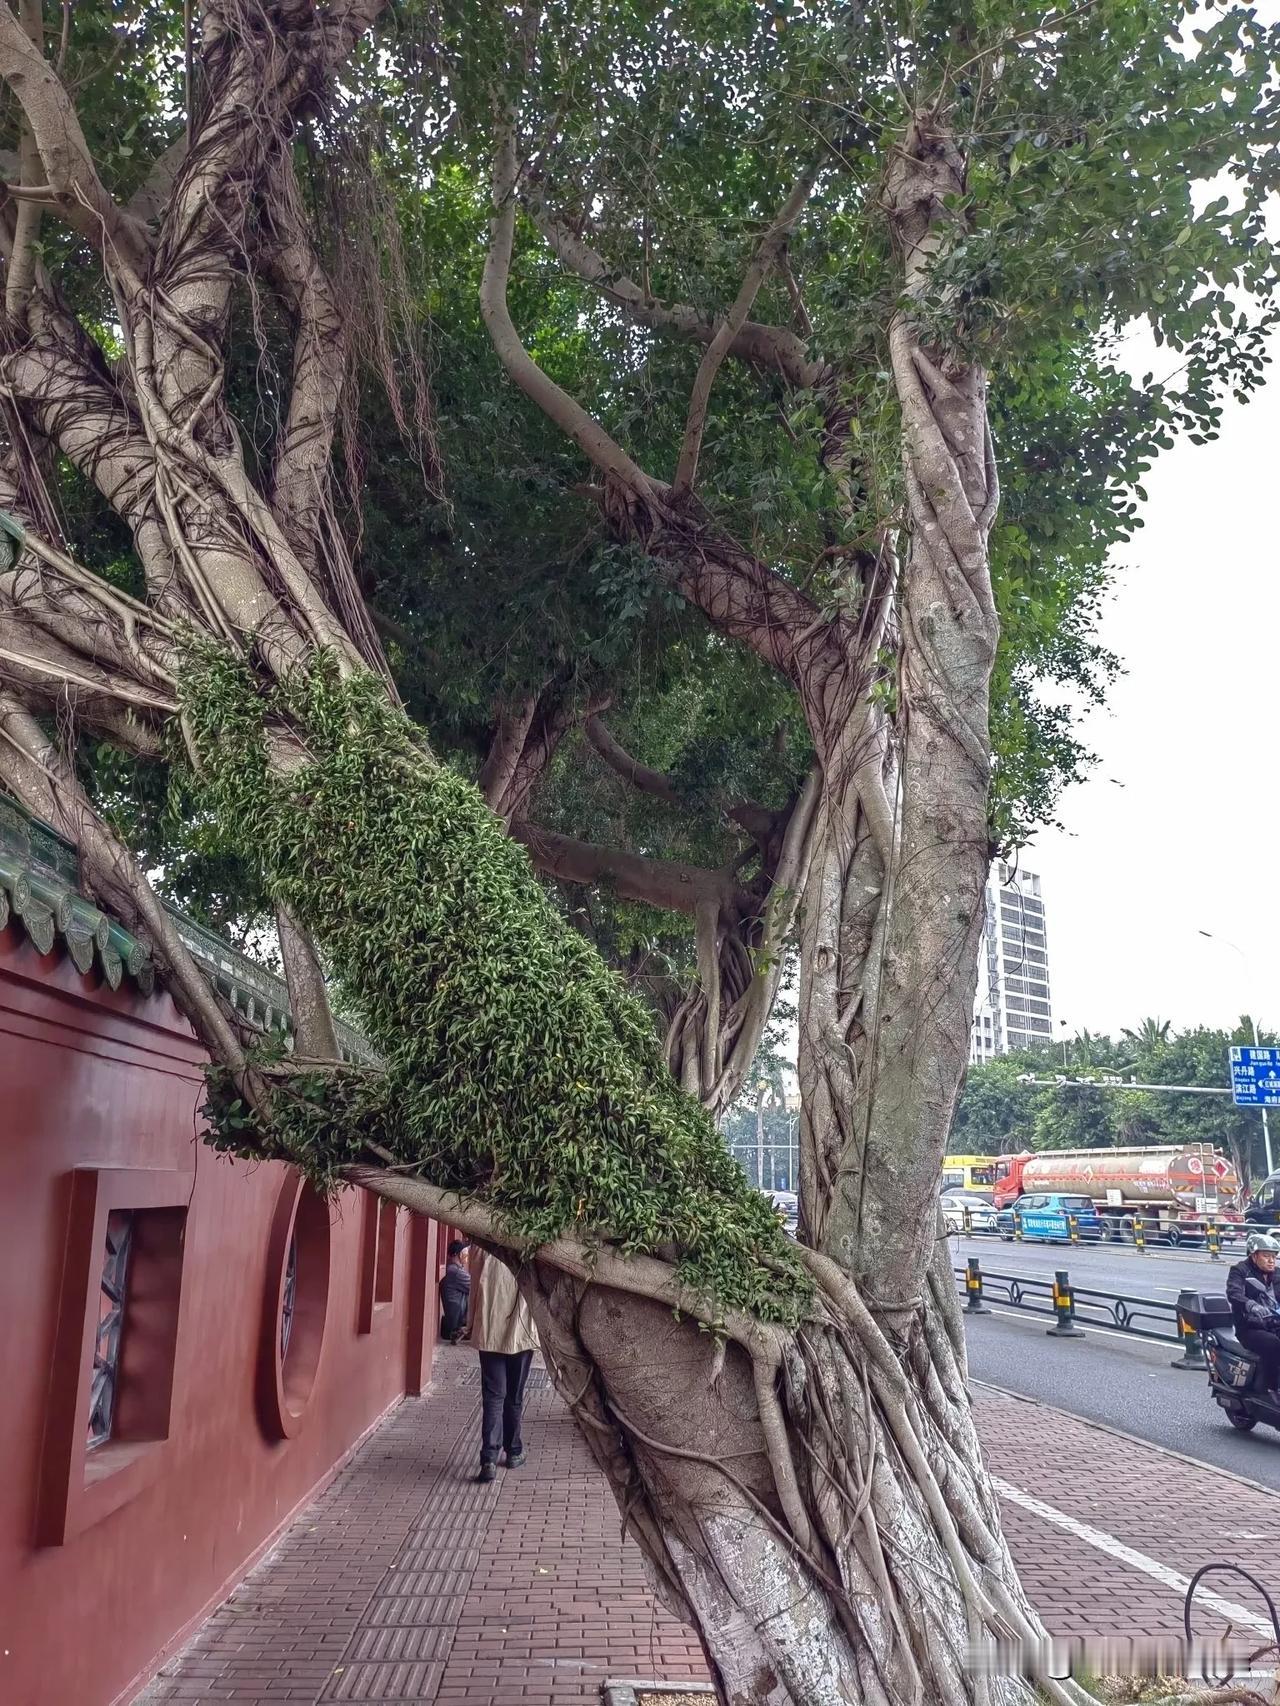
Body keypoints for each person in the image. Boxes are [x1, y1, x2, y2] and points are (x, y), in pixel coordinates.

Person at [467, 1249, 539, 1482]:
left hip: (489, 1330)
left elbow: (473, 1289)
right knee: (514, 1396)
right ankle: (513, 1451)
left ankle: (489, 1458)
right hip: (521, 1332)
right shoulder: (528, 1245)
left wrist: (471, 1325)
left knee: (493, 1396)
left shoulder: (481, 1248)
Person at [1226, 1231, 1280, 1391]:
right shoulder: (1240, 1271)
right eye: (1266, 1256)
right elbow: (1233, 1293)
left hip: (1274, 1323)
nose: (1271, 1261)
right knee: (1273, 1344)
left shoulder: (1277, 1274)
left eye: (1274, 1256)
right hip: (1250, 1327)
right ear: (1254, 1255)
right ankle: (1271, 1388)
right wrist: (1251, 1305)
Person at [439, 1240, 471, 1344]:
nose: (466, 1255)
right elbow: (476, 1286)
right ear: (458, 1254)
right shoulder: (455, 1271)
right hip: (456, 1320)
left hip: (456, 1316)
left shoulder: (454, 1269)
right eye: (465, 1253)